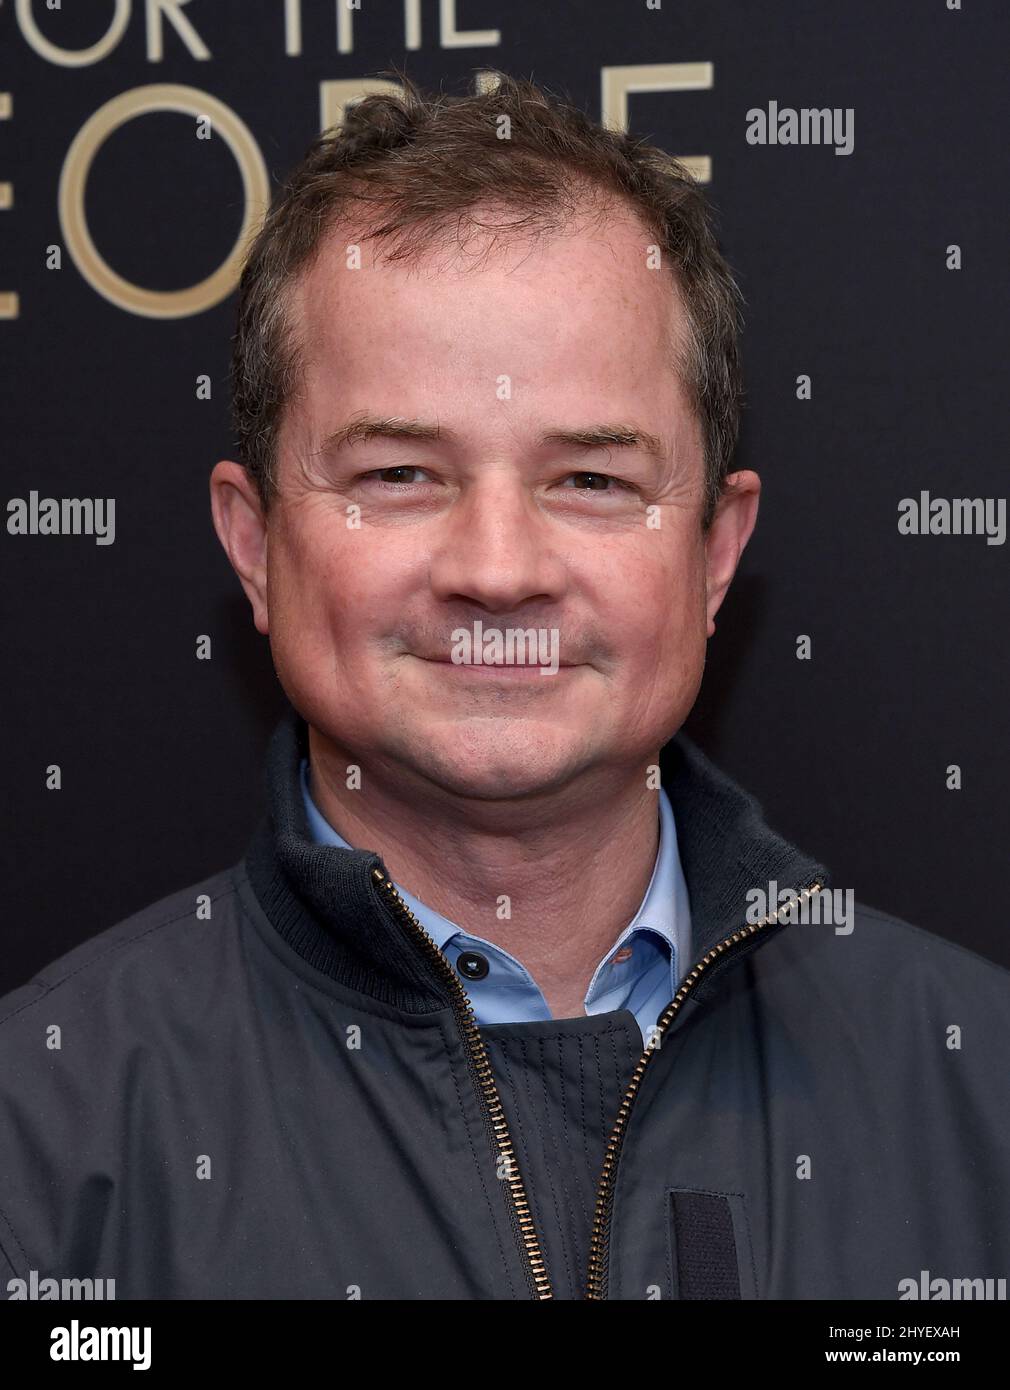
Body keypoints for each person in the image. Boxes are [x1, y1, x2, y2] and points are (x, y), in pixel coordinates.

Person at [2, 73, 1007, 1302]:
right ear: (255, 546)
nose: (495, 569)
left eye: (589, 480)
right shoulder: (40, 1145)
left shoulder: (979, 1089)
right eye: (398, 474)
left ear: (713, 554)